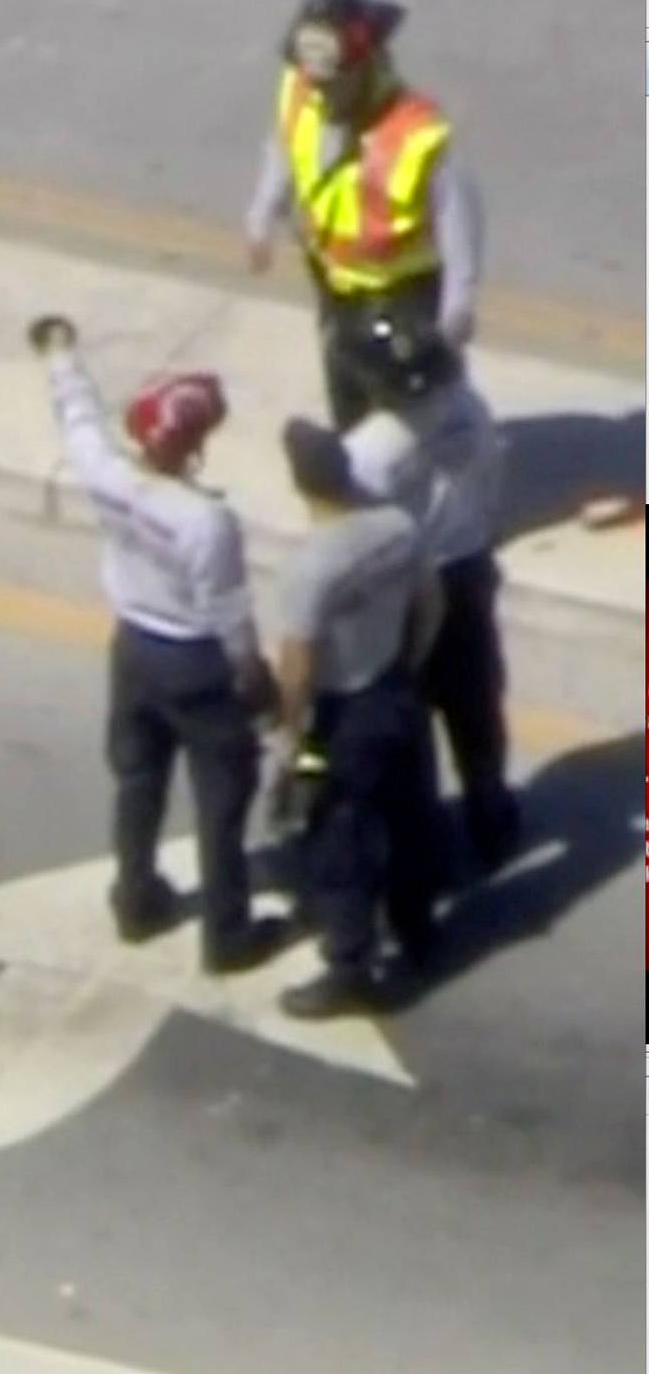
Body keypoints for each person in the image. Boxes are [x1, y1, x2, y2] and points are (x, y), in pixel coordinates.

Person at [29, 312, 286, 974]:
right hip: (198, 662)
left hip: (134, 647)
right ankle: (227, 937)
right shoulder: (206, 521)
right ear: (195, 447)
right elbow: (229, 614)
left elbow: (78, 418)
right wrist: (255, 678)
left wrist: (60, 354)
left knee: (138, 781)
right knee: (221, 803)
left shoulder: (108, 475)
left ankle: (136, 899)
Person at [316, 312, 522, 872]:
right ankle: (490, 811)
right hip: (468, 570)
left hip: (405, 592)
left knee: (407, 717)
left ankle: (422, 839)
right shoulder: (468, 410)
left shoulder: (367, 452)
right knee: (476, 702)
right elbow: (492, 479)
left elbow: (353, 537)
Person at [270, 421, 449, 1018]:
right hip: (393, 691)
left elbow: (296, 669)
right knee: (409, 814)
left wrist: (289, 742)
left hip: (331, 717)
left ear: (301, 486)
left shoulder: (312, 566)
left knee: (336, 830)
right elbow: (430, 604)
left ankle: (348, 963)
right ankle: (417, 926)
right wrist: (408, 668)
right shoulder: (399, 528)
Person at [245, 0, 484, 431]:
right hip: (334, 281)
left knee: (416, 407)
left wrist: (456, 309)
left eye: (335, 82)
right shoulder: (302, 91)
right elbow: (283, 147)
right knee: (347, 387)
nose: (322, 91)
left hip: (401, 293)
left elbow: (460, 226)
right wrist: (262, 215)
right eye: (315, 80)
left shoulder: (417, 134)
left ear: (365, 65)